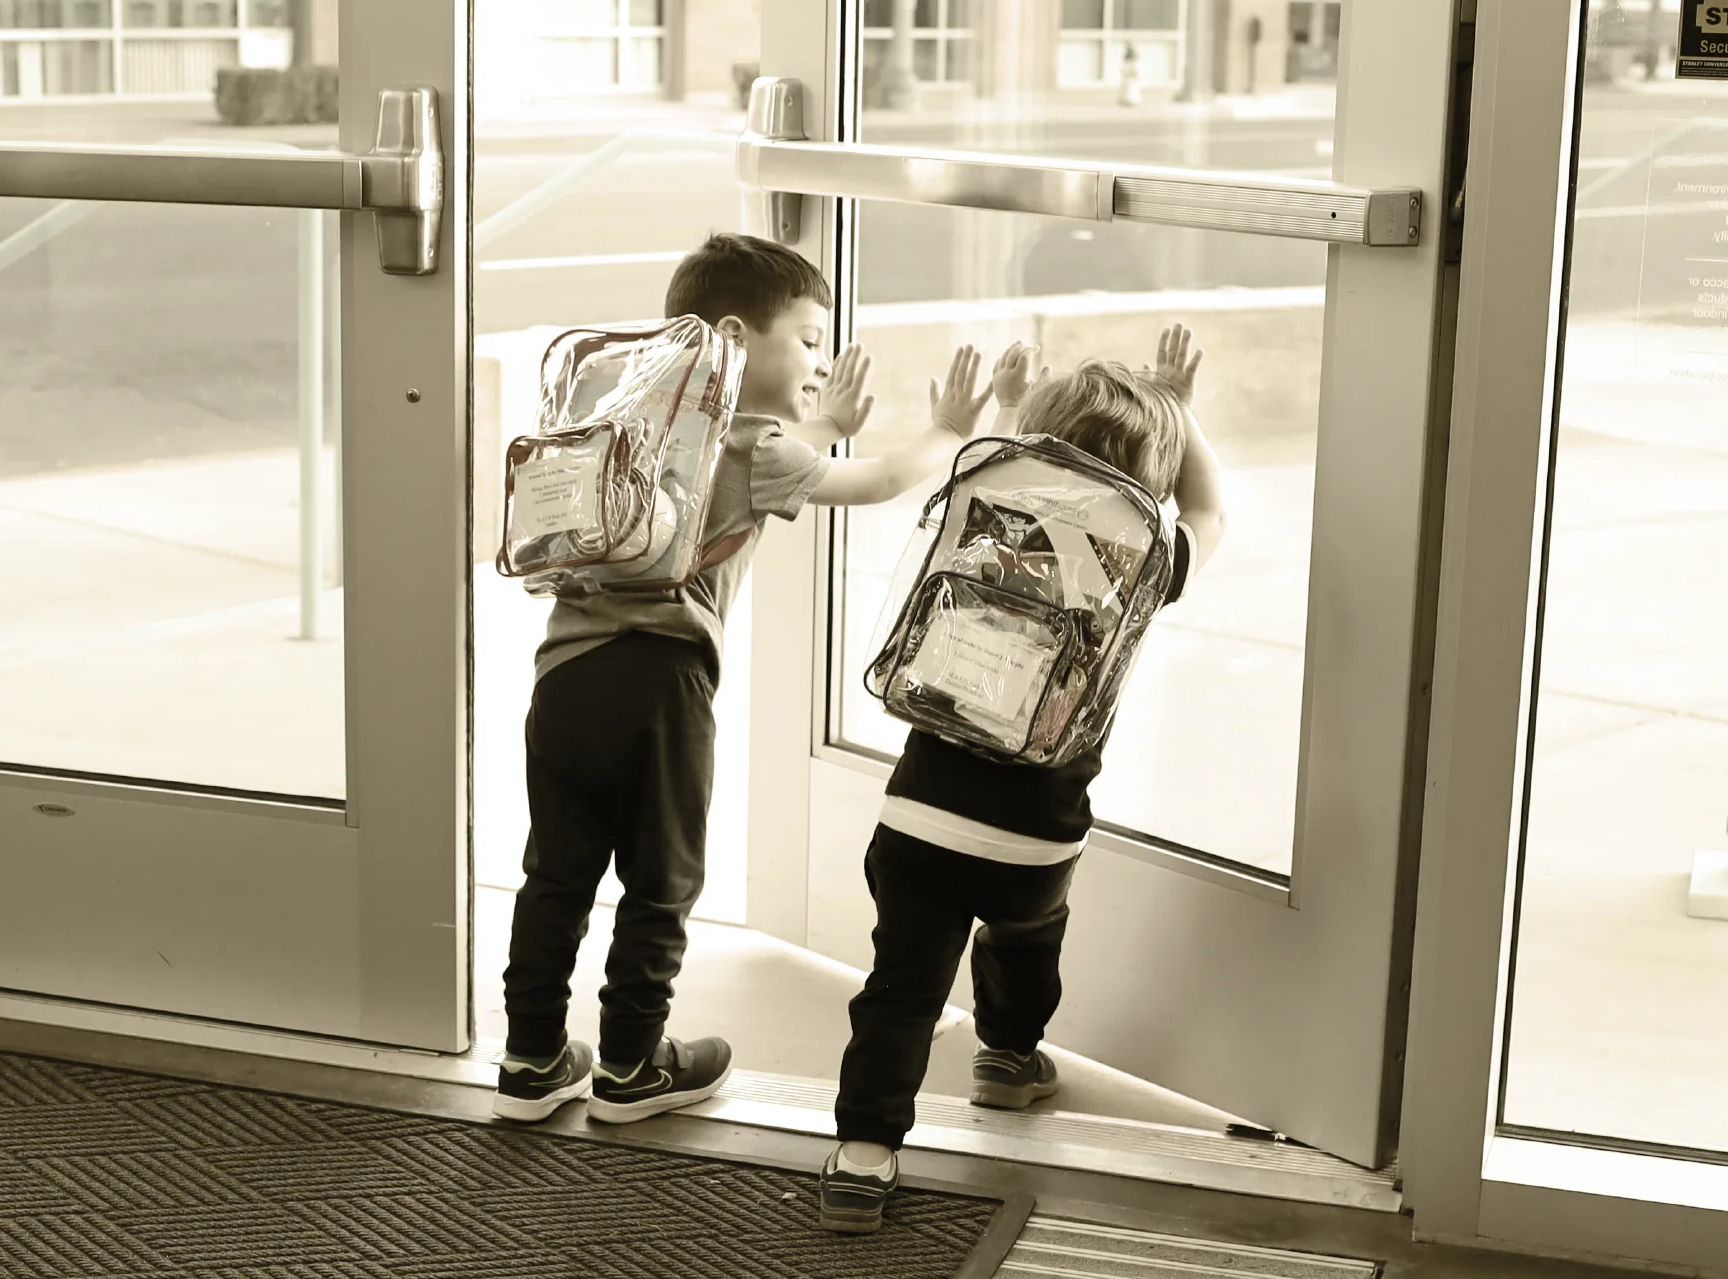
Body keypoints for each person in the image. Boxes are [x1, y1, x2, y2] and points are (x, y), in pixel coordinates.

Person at [494, 233, 996, 1126]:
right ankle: (630, 1063)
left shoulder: (626, 414)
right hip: (662, 686)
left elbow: (761, 454)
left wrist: (826, 420)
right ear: (734, 334)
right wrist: (948, 430)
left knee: (557, 872)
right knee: (662, 880)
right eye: (806, 338)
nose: (818, 358)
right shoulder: (760, 443)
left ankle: (532, 1056)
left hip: (563, 678)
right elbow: (877, 480)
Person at [817, 325, 1228, 1233]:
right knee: (1024, 942)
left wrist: (1012, 418)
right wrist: (1182, 412)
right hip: (1039, 830)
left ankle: (863, 1155)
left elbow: (1016, 479)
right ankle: (1007, 1057)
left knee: (902, 985)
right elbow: (1212, 511)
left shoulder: (981, 511)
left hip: (921, 815)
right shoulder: (1144, 563)